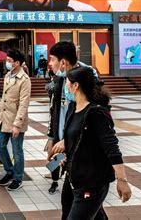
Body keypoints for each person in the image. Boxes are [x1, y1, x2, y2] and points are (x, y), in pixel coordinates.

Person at [55, 66, 132, 219]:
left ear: (76, 85)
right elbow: (77, 139)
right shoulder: (72, 107)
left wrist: (122, 180)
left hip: (92, 181)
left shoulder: (97, 113)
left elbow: (112, 148)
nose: (65, 86)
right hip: (73, 177)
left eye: (67, 83)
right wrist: (68, 157)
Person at [46, 41, 99, 196]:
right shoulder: (59, 78)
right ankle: (55, 180)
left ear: (63, 62)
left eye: (52, 59)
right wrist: (52, 135)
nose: (50, 63)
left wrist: (68, 140)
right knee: (55, 161)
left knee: (78, 193)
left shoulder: (87, 75)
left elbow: (93, 114)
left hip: (81, 143)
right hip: (62, 135)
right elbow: (54, 108)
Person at [0, 49, 31, 191]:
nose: (7, 63)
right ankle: (9, 171)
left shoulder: (24, 80)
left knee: (17, 151)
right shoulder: (7, 76)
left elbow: (24, 104)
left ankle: (18, 177)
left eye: (9, 61)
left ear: (17, 63)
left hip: (16, 121)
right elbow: (4, 100)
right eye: (7, 60)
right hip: (3, 120)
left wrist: (17, 125)